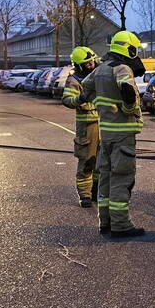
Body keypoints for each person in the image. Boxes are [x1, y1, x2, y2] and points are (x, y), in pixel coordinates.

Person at [81, 31, 145, 238]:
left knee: (106, 177)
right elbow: (127, 89)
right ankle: (121, 225)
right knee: (122, 178)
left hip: (106, 132)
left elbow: (85, 89)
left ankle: (105, 221)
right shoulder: (122, 68)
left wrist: (100, 103)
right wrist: (128, 108)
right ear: (130, 49)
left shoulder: (100, 69)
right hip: (123, 133)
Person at [61, 47, 100, 208]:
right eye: (87, 63)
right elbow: (67, 100)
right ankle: (85, 194)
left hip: (103, 124)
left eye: (92, 61)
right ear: (79, 65)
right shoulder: (74, 80)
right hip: (86, 126)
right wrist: (81, 98)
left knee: (101, 161)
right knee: (87, 161)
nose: (91, 64)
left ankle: (96, 191)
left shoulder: (98, 76)